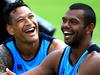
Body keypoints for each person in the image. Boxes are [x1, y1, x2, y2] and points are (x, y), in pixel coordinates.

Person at [1, 2, 100, 75]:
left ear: (89, 28)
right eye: (64, 21)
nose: (65, 26)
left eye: (73, 22)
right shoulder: (58, 57)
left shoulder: (95, 61)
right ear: (10, 29)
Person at [0, 1, 67, 74]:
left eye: (31, 16)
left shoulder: (57, 49)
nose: (29, 22)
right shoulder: (4, 52)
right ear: (11, 29)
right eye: (21, 20)